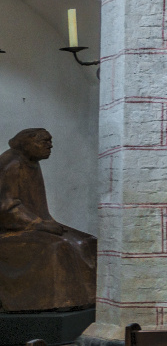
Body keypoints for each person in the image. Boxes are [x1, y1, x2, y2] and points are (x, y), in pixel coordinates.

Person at [0, 128, 96, 311]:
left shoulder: (31, 163)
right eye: (44, 141)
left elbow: (36, 207)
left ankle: (85, 299)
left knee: (87, 242)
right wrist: (39, 224)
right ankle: (60, 302)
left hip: (34, 223)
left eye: (50, 141)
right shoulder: (11, 164)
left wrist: (46, 223)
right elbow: (7, 208)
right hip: (12, 230)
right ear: (27, 142)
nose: (50, 145)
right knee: (58, 247)